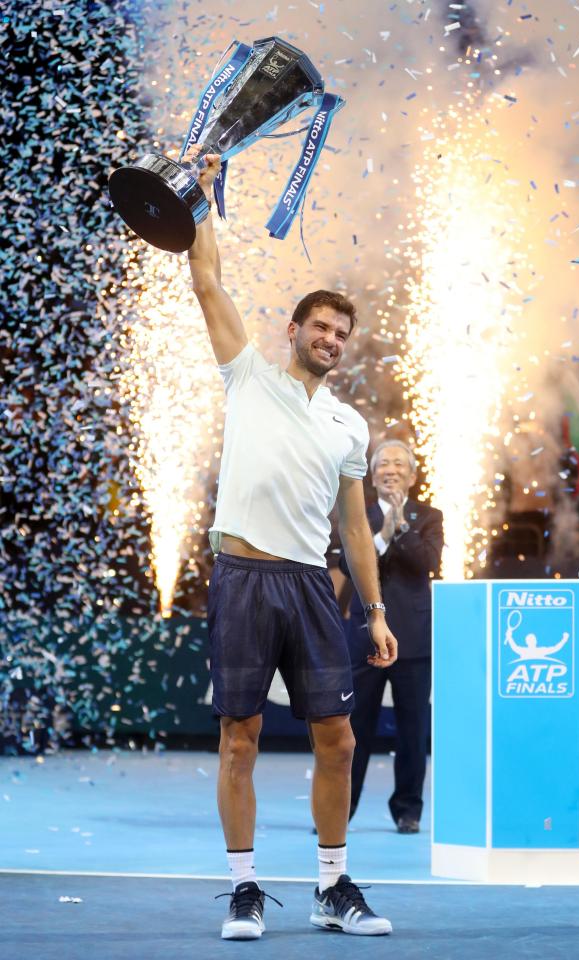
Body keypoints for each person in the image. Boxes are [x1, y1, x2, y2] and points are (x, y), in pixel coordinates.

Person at [187, 151, 397, 940]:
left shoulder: (351, 425)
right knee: (238, 735)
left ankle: (332, 887)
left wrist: (374, 612)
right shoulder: (248, 375)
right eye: (321, 326)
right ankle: (244, 890)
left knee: (338, 738)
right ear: (295, 330)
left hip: (313, 587)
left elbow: (354, 527)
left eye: (342, 333)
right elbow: (208, 282)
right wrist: (204, 200)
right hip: (243, 577)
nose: (332, 339)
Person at [339, 440, 443, 834]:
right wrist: (380, 534)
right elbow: (347, 567)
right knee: (354, 730)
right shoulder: (356, 516)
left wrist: (400, 526)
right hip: (365, 640)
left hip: (413, 640)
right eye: (383, 463)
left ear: (413, 476)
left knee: (413, 730)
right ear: (371, 473)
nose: (391, 469)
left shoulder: (429, 516)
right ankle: (340, 809)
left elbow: (428, 563)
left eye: (399, 464)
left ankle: (407, 810)